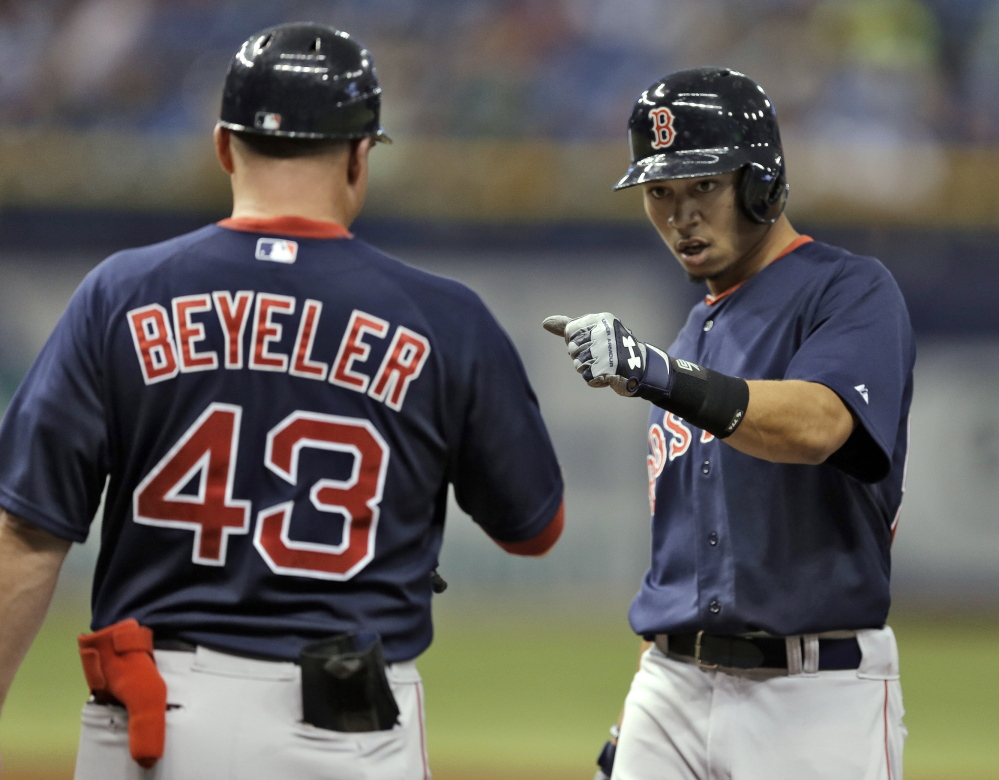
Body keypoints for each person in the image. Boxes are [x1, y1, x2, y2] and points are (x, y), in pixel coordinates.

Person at [0, 22, 564, 780]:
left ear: (224, 147)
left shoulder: (120, 294)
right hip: (342, 728)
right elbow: (533, 529)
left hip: (152, 721)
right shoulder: (444, 319)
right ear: (361, 156)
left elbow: (27, 534)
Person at [544, 67, 914, 780]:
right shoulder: (692, 334)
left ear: (762, 180)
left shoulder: (848, 290)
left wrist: (659, 375)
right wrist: (632, 720)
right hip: (671, 684)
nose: (679, 214)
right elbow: (684, 556)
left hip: (812, 693)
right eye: (659, 192)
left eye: (702, 186)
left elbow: (817, 424)